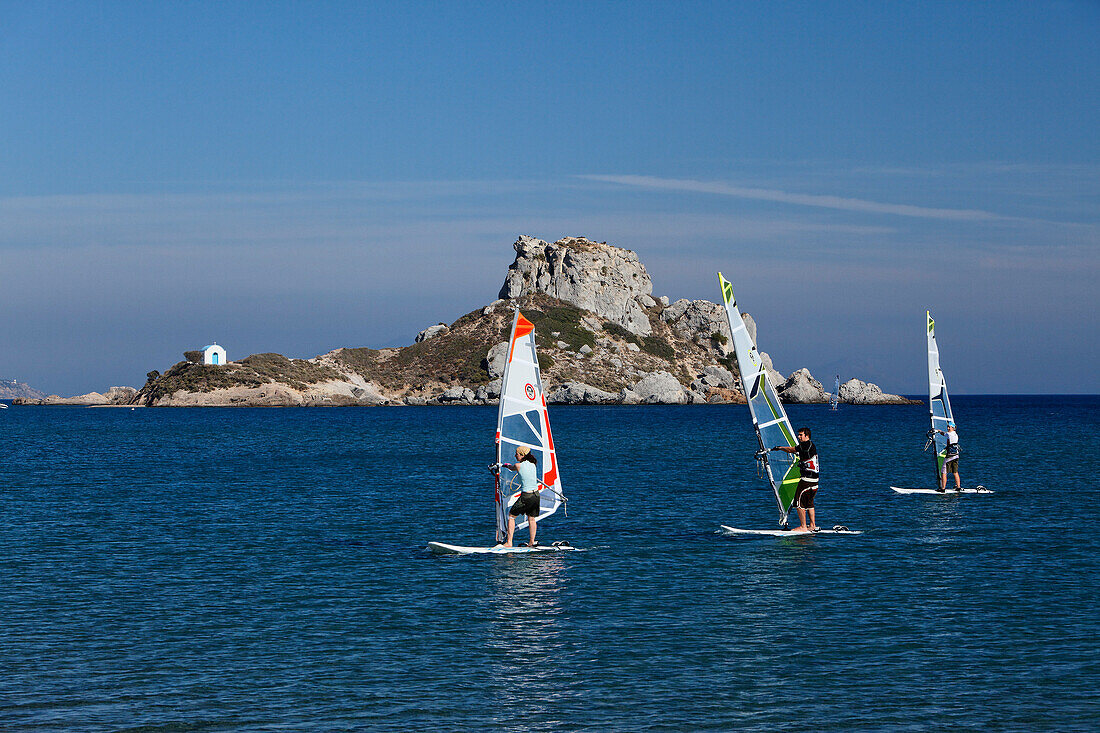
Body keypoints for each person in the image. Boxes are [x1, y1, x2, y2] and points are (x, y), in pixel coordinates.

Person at [771, 427, 820, 532]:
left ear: (807, 436)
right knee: (809, 503)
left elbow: (791, 450)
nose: (798, 437)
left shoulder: (804, 446)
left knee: (798, 503)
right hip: (815, 481)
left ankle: (803, 527)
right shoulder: (812, 445)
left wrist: (780, 448)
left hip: (806, 480)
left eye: (801, 435)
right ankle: (812, 525)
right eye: (798, 435)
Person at [499, 445, 541, 547]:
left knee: (511, 516)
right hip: (536, 495)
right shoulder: (533, 464)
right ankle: (531, 542)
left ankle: (509, 542)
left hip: (526, 496)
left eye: (516, 454)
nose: (515, 456)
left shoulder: (518, 465)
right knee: (531, 518)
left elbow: (512, 467)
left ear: (522, 455)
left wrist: (504, 465)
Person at [934, 422, 962, 492]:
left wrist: (938, 431)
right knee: (955, 472)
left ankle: (942, 488)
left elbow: (944, 434)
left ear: (952, 428)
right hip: (956, 455)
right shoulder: (955, 434)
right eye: (948, 427)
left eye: (949, 427)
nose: (948, 428)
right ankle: (958, 487)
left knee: (943, 472)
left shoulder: (949, 434)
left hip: (950, 456)